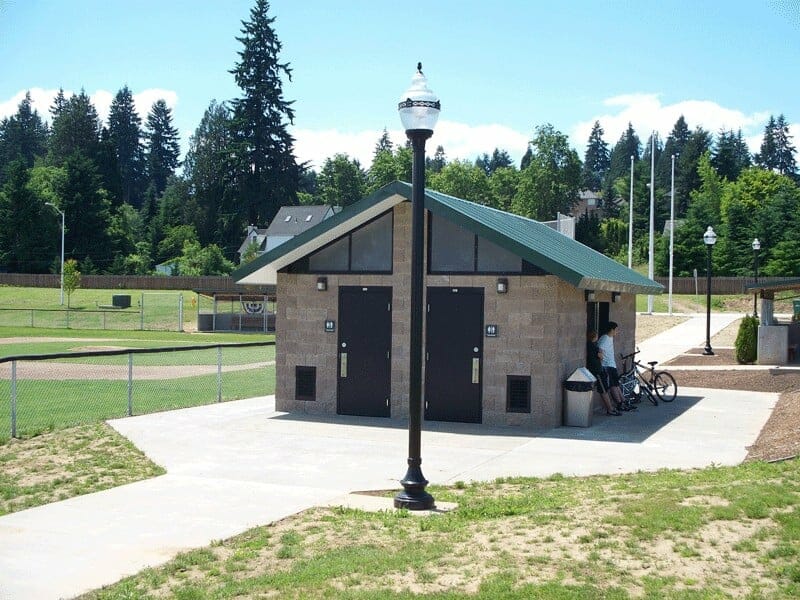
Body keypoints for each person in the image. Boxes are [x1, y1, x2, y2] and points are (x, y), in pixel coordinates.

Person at [597, 321, 634, 411]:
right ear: (611, 330)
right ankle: (619, 403)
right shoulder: (605, 338)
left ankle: (624, 402)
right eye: (616, 329)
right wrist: (601, 364)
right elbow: (599, 352)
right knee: (613, 385)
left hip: (611, 365)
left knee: (616, 385)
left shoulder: (610, 337)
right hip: (607, 366)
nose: (617, 331)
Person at [586, 330, 620, 416]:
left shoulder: (589, 345)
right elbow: (601, 357)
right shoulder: (594, 346)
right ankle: (610, 409)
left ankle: (610, 408)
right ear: (595, 337)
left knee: (604, 389)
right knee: (604, 390)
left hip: (594, 370)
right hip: (597, 370)